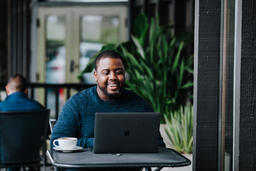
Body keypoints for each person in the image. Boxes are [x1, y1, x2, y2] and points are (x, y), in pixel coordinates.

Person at [50, 50, 165, 170]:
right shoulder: (76, 104)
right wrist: (94, 143)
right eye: (106, 72)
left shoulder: (140, 105)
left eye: (119, 72)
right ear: (95, 75)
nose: (113, 77)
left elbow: (158, 146)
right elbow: (56, 142)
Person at [0, 74, 44, 171]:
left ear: (7, 89)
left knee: (9, 149)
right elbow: (45, 131)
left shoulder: (1, 107)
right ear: (26, 90)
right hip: (32, 156)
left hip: (6, 157)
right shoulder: (37, 107)